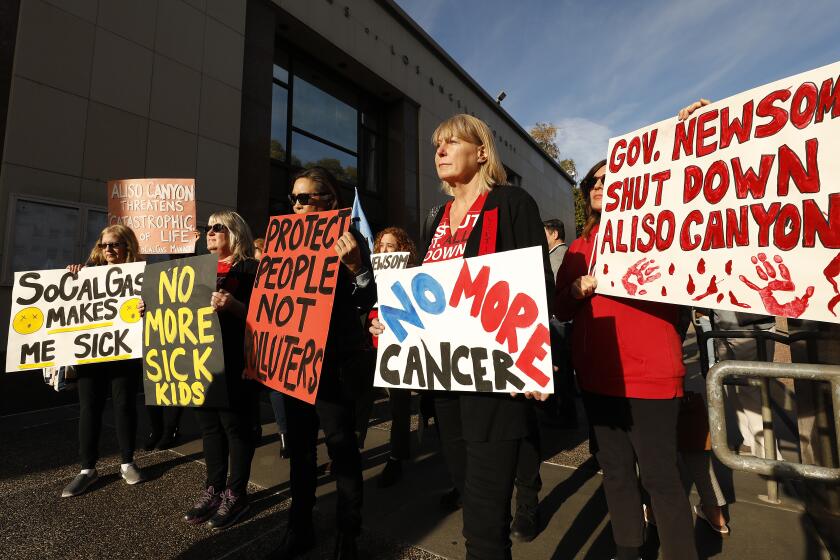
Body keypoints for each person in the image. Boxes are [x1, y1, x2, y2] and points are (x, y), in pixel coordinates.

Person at [371, 114, 554, 560]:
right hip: (446, 385)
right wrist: (393, 325)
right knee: (471, 496)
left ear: (483, 153)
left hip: (496, 383)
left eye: (452, 142)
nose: (440, 150)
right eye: (438, 144)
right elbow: (432, 299)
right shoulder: (436, 219)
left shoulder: (511, 203)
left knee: (486, 530)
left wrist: (536, 355)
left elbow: (537, 285)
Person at [554, 158, 698, 560]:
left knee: (660, 478)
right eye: (592, 181)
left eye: (609, 179)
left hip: (650, 377)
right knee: (616, 475)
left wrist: (696, 125)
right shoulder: (579, 249)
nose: (598, 185)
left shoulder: (659, 234)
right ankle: (628, 551)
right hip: (599, 379)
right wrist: (575, 292)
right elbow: (560, 308)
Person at [269, 166, 377, 560]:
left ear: (328, 201)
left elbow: (366, 301)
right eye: (292, 198)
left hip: (334, 367)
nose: (295, 205)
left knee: (342, 451)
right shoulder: (282, 244)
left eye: (304, 198)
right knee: (300, 452)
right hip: (293, 363)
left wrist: (355, 268)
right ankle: (299, 528)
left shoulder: (351, 241)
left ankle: (348, 533)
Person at [182, 211, 261, 530]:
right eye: (208, 228)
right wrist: (152, 307)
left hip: (234, 360)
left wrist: (235, 306)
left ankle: (237, 493)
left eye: (218, 227)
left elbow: (267, 316)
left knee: (235, 428)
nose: (210, 232)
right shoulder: (193, 269)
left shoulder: (250, 268)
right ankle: (213, 489)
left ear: (236, 233)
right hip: (200, 361)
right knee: (210, 428)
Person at [61, 225, 146, 497]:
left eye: (115, 244)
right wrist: (71, 278)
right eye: (104, 245)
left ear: (127, 247)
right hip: (91, 352)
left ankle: (127, 461)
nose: (108, 249)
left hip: (125, 350)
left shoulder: (142, 276)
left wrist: (147, 305)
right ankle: (87, 469)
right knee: (90, 408)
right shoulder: (85, 274)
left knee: (124, 405)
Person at [369, 227, 419, 488]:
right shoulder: (371, 277)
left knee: (399, 405)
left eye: (390, 246)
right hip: (373, 345)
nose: (384, 251)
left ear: (402, 249)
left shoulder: (414, 274)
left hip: (400, 348)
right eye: (381, 246)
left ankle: (396, 457)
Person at [255, 236, 289, 459]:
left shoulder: (280, 276)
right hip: (253, 341)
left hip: (276, 341)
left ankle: (285, 434)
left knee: (276, 391)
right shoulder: (247, 274)